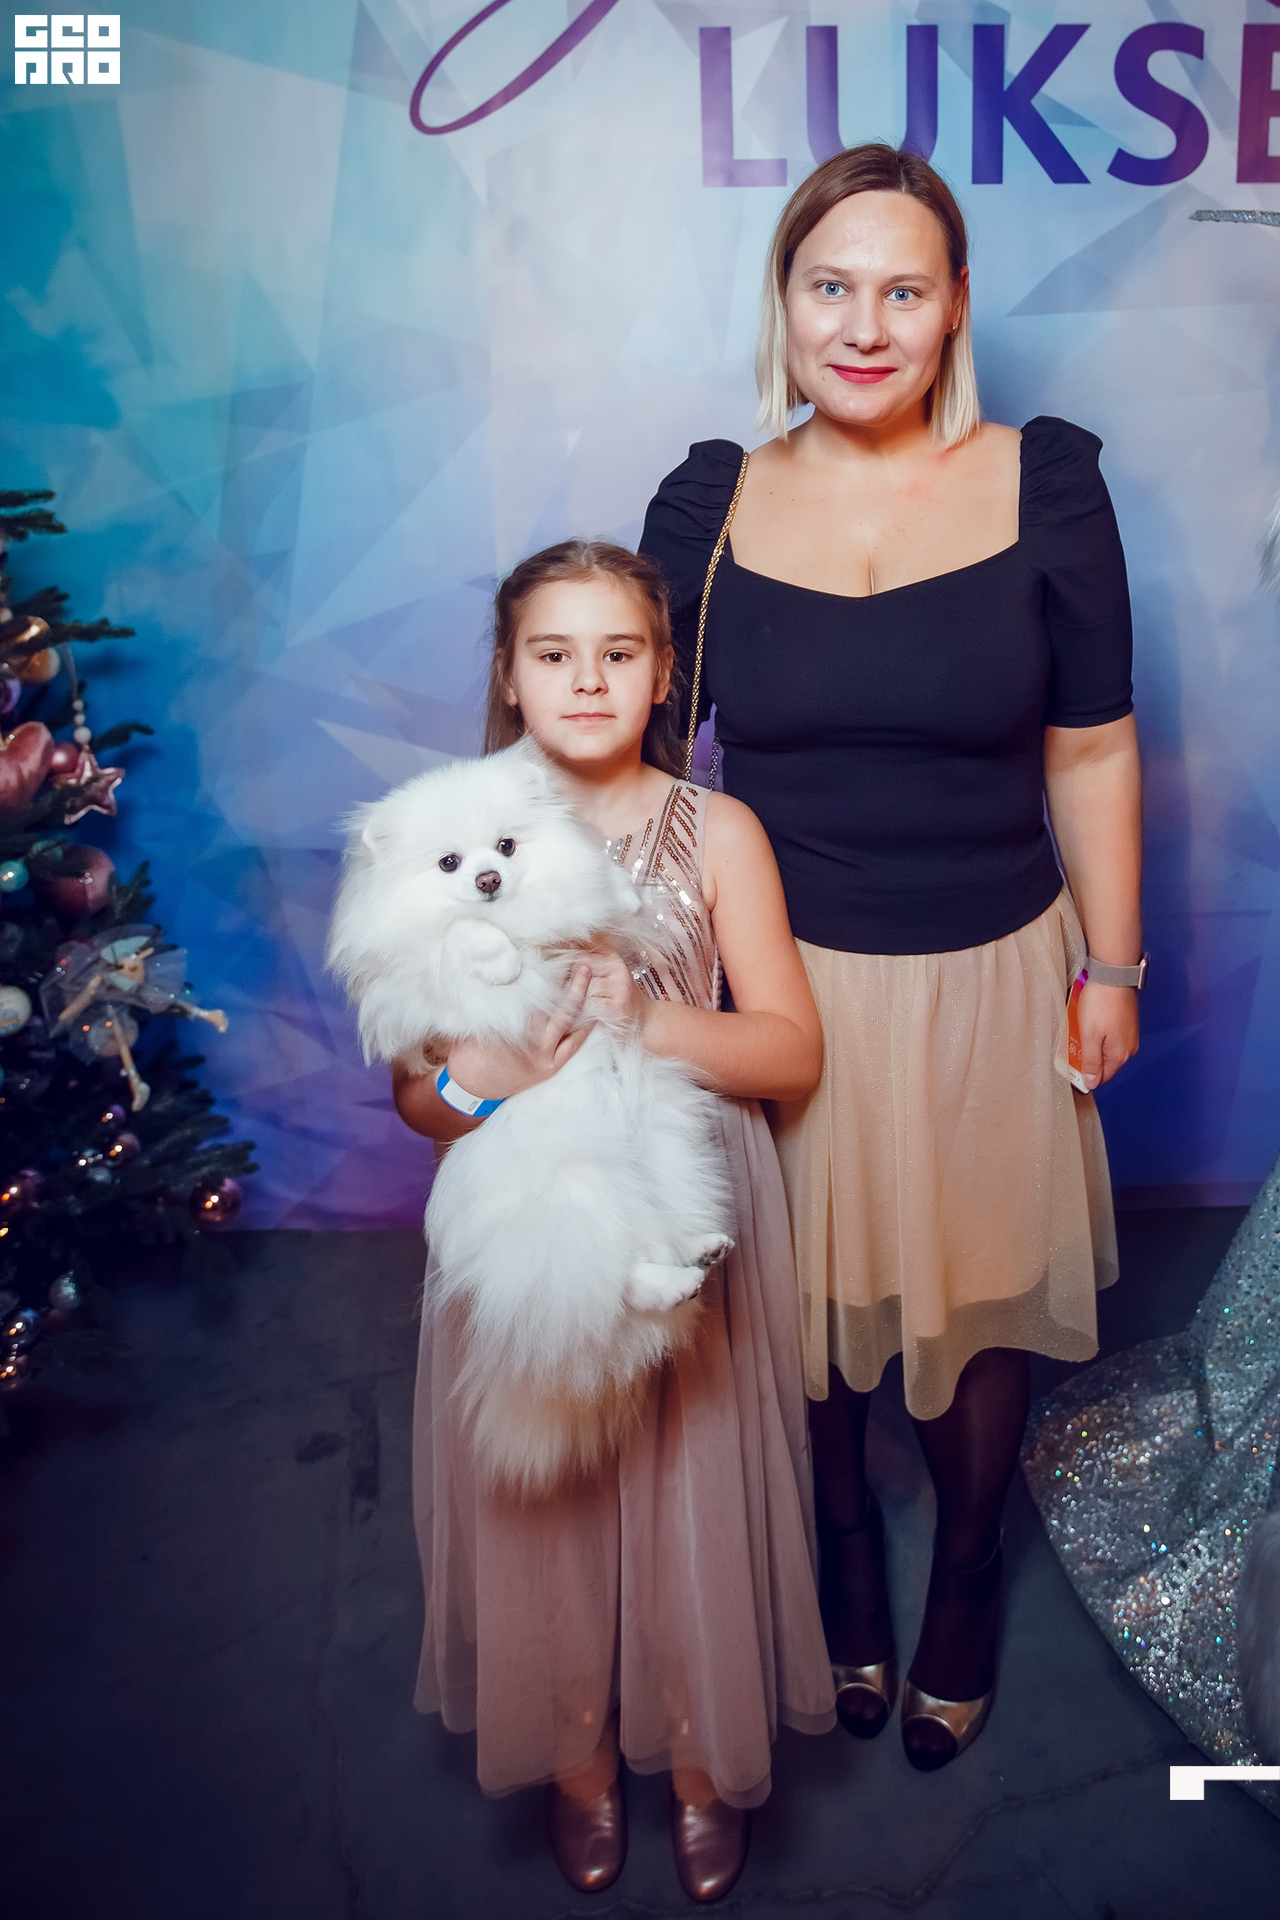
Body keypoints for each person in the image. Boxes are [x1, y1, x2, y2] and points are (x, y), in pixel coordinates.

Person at [640, 142, 1143, 1770]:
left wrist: (1115, 968)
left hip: (993, 972)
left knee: (972, 1314)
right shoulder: (709, 506)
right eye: (830, 287)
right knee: (803, 1322)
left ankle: (968, 1572)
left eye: (903, 290)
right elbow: (637, 773)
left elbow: (1092, 744)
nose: (864, 326)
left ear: (956, 306)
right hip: (779, 991)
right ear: (783, 302)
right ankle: (845, 1556)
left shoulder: (1047, 483)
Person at [394, 541, 836, 1902]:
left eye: (619, 652)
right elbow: (415, 1096)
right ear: (507, 676)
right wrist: (487, 1078)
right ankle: (576, 1752)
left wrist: (645, 1018)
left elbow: (790, 1054)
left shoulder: (718, 832)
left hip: (683, 1198)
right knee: (548, 1484)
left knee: (690, 1472)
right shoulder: (450, 831)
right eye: (553, 653)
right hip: (522, 1209)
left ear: (661, 677)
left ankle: (701, 1748)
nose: (586, 680)